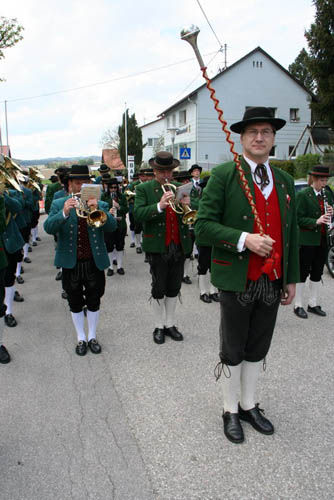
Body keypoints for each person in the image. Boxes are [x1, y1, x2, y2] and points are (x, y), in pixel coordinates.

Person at [195, 107, 299, 444]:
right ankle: (230, 409)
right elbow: (203, 227)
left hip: (271, 280)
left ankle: (249, 403)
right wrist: (244, 239)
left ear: (273, 139)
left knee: (258, 347)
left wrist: (291, 277)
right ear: (241, 138)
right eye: (253, 132)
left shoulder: (283, 181)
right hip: (237, 278)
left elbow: (291, 233)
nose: (259, 137)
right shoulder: (225, 175)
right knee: (233, 348)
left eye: (266, 132)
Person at [44, 164, 117, 356]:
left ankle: (92, 336)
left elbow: (111, 227)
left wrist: (97, 208)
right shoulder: (59, 203)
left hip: (94, 261)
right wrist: (64, 213)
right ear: (70, 185)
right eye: (78, 183)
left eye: (85, 183)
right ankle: (81, 338)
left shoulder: (99, 204)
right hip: (71, 262)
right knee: (74, 300)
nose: (81, 186)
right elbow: (48, 227)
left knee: (94, 298)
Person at [134, 151, 192, 345]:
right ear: (155, 170)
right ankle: (158, 325)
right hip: (158, 246)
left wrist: (189, 203)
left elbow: (198, 207)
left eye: (168, 171)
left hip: (179, 245)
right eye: (161, 171)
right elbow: (138, 214)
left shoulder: (180, 187)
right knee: (159, 287)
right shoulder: (144, 189)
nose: (166, 175)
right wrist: (159, 206)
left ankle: (170, 323)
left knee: (174, 286)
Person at [294, 165, 334, 318]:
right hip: (307, 239)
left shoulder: (327, 194)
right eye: (322, 180)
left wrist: (331, 211)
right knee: (303, 271)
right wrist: (316, 221)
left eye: (326, 180)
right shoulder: (303, 195)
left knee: (317, 271)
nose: (324, 183)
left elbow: (330, 209)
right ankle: (298, 305)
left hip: (323, 239)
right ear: (315, 179)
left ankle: (313, 303)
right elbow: (297, 218)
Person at [101, 175, 129, 276]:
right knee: (109, 246)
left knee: (120, 245)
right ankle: (110, 267)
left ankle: (120, 266)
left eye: (115, 187)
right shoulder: (104, 196)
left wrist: (119, 207)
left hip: (120, 225)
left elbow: (127, 209)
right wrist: (108, 211)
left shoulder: (122, 196)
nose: (113, 189)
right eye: (111, 187)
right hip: (108, 225)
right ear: (108, 188)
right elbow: (100, 210)